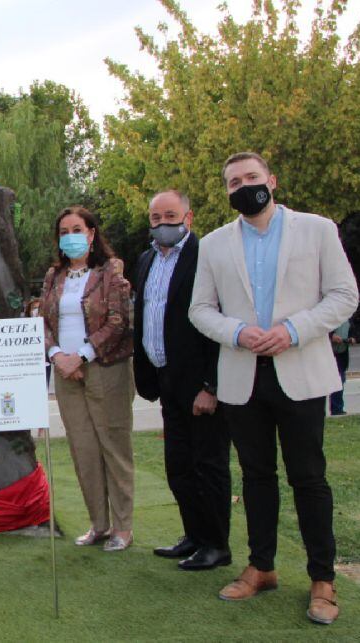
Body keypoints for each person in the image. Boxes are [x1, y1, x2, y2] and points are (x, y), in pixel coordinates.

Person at [189, 152, 358, 625]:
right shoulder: (216, 244)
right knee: (256, 476)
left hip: (300, 370)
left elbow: (345, 295)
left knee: (309, 478)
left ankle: (322, 579)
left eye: (251, 177)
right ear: (226, 191)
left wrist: (295, 330)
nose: (243, 186)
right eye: (233, 182)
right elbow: (200, 310)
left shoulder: (317, 229)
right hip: (243, 376)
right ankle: (262, 566)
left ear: (272, 181)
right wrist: (239, 333)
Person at [133, 190, 232, 571]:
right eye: (155, 217)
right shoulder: (146, 260)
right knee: (179, 467)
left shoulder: (207, 258)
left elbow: (219, 322)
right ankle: (194, 535)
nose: (162, 224)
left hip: (200, 385)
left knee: (209, 466)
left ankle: (216, 545)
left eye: (170, 216)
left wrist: (211, 386)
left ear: (188, 218)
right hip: (165, 380)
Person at [41, 206, 136, 552]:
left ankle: (123, 528)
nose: (70, 237)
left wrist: (81, 354)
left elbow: (118, 320)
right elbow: (43, 322)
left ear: (92, 233)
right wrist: (58, 357)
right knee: (84, 451)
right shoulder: (54, 276)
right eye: (63, 231)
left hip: (105, 368)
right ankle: (99, 524)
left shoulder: (110, 272)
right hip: (66, 375)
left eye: (76, 229)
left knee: (114, 449)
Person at [329, 320, 353, 416]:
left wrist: (353, 338)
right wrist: (331, 336)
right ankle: (336, 408)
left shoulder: (350, 316)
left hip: (342, 353)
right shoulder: (332, 314)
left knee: (340, 380)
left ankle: (337, 408)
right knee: (337, 380)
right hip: (329, 353)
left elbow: (355, 330)